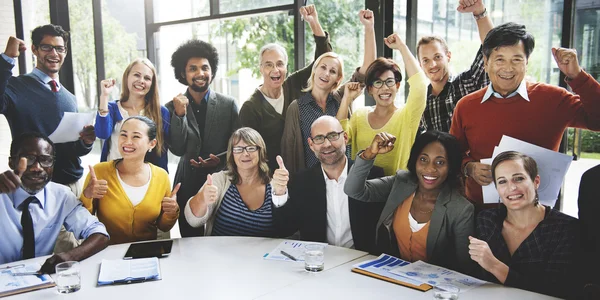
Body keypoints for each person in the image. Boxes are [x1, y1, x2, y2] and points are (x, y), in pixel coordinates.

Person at [449, 22, 600, 211]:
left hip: (537, 215)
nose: (508, 68)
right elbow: (452, 155)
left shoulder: (553, 98)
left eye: (516, 60)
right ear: (486, 63)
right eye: (500, 60)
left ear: (527, 63)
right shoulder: (466, 106)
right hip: (481, 211)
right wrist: (468, 168)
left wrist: (577, 76)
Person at [0, 24, 97, 252]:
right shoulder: (16, 87)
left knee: (81, 247)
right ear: (34, 49)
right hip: (40, 184)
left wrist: (85, 142)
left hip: (73, 184)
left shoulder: (68, 97)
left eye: (60, 49)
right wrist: (6, 58)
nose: (54, 54)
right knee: (61, 255)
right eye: (47, 47)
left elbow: (72, 149)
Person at [345, 130, 475, 274]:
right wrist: (369, 154)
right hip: (392, 280)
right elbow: (353, 190)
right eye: (423, 159)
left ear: (451, 167)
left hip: (435, 290)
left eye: (440, 162)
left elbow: (466, 268)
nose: (430, 168)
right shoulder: (401, 183)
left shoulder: (461, 209)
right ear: (415, 160)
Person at [469, 151, 579, 298]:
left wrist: (495, 266)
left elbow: (555, 291)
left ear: (536, 182)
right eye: (502, 181)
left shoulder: (566, 228)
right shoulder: (486, 221)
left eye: (518, 179)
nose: (512, 188)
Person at [281, 9, 377, 174]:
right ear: (314, 70)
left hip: (345, 178)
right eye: (323, 67)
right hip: (313, 182)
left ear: (337, 79)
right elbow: (289, 152)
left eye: (332, 71)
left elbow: (368, 70)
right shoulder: (296, 108)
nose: (326, 73)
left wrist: (369, 28)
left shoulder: (341, 97)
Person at [240, 4, 332, 173]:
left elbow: (323, 59)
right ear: (260, 68)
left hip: (305, 170)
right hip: (272, 178)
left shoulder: (293, 84)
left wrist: (314, 23)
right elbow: (247, 151)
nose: (275, 70)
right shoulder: (250, 107)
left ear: (286, 67)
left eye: (280, 64)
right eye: (268, 65)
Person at [0, 132, 108, 273]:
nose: (37, 167)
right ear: (11, 162)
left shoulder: (61, 196)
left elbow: (99, 233)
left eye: (45, 160)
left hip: (38, 279)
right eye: (28, 159)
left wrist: (71, 256)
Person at [273, 116, 384, 253]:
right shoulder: (301, 182)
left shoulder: (373, 175)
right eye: (319, 138)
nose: (326, 144)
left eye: (332, 136)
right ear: (311, 144)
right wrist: (279, 193)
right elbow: (284, 229)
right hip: (319, 264)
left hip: (361, 264)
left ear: (345, 137)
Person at [166, 39, 240, 237]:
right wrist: (179, 116)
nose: (200, 73)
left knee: (221, 239)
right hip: (186, 182)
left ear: (212, 71)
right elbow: (178, 149)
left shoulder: (229, 104)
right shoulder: (171, 107)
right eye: (193, 68)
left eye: (205, 68)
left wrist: (222, 159)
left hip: (221, 181)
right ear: (183, 73)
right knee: (190, 242)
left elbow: (238, 145)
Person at [337, 33, 427, 176]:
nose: (385, 88)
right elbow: (340, 137)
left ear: (397, 86)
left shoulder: (406, 116)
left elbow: (420, 85)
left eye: (390, 82)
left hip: (394, 192)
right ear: (370, 89)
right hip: (361, 190)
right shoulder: (360, 116)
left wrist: (402, 47)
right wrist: (346, 98)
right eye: (378, 82)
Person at [80, 116, 179, 245]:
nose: (127, 142)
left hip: (146, 254)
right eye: (123, 135)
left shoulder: (161, 176)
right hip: (107, 253)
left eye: (136, 137)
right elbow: (82, 222)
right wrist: (87, 195)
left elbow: (164, 226)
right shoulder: (99, 172)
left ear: (152, 144)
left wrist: (171, 212)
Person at [185, 127, 289, 237]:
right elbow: (193, 221)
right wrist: (202, 198)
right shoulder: (220, 180)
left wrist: (280, 194)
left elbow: (285, 229)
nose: (245, 153)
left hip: (260, 254)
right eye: (238, 149)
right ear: (232, 154)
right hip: (220, 253)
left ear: (260, 151)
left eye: (251, 148)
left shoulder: (275, 186)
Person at [418, 0, 492, 132]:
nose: (432, 64)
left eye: (437, 57)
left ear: (448, 56)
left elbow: (490, 49)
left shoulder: (466, 83)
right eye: (426, 60)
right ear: (420, 65)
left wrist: (479, 12)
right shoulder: (421, 103)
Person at [95, 58, 170, 172]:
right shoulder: (112, 108)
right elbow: (102, 133)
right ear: (127, 77)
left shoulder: (161, 112)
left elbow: (162, 152)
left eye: (147, 78)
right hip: (112, 176)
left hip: (146, 179)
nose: (141, 81)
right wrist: (104, 96)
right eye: (136, 75)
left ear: (152, 84)